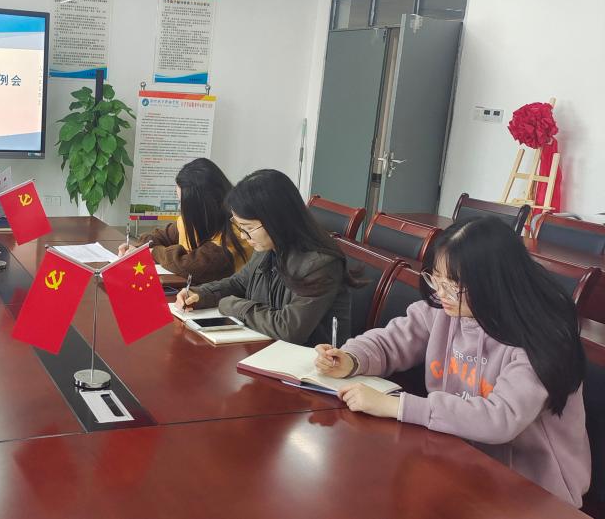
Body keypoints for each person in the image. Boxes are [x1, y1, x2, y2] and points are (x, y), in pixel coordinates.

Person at [314, 217, 591, 507]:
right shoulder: (445, 310)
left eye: (453, 285)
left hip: (533, 490)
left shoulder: (539, 339)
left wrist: (397, 406)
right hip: (461, 457)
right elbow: (390, 341)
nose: (440, 293)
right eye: (436, 279)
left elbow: (500, 419)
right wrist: (351, 358)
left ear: (494, 284)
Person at [175, 169, 357, 345]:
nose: (243, 236)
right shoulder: (268, 246)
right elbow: (239, 283)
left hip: (309, 360)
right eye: (240, 227)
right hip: (267, 348)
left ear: (276, 220)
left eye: (248, 228)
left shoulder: (320, 265)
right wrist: (201, 294)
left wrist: (232, 305)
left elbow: (289, 328)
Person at [118, 158, 250, 284]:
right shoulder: (196, 221)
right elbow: (160, 236)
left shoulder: (238, 234)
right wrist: (139, 249)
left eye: (183, 203)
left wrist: (152, 253)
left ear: (203, 206)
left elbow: (189, 265)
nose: (181, 208)